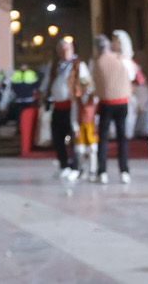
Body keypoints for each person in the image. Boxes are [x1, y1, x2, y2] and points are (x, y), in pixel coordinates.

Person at [38, 35, 92, 182]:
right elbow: (47, 82)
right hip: (58, 105)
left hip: (72, 106)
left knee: (74, 137)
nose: (64, 51)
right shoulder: (54, 65)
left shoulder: (78, 65)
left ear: (72, 49)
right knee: (58, 137)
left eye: (67, 49)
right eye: (61, 49)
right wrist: (43, 95)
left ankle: (76, 167)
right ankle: (64, 165)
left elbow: (86, 83)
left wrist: (84, 93)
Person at [92, 31, 133, 184]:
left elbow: (95, 84)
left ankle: (102, 172)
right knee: (122, 137)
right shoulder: (121, 59)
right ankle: (124, 171)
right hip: (122, 102)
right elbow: (132, 76)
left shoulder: (98, 62)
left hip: (106, 103)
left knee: (103, 138)